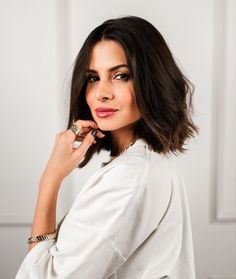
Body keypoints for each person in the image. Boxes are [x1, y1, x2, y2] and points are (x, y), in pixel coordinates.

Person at [15, 15, 199, 279]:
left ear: (151, 81)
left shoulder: (130, 177)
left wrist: (50, 181)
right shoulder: (144, 160)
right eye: (92, 78)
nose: (102, 92)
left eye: (121, 75)